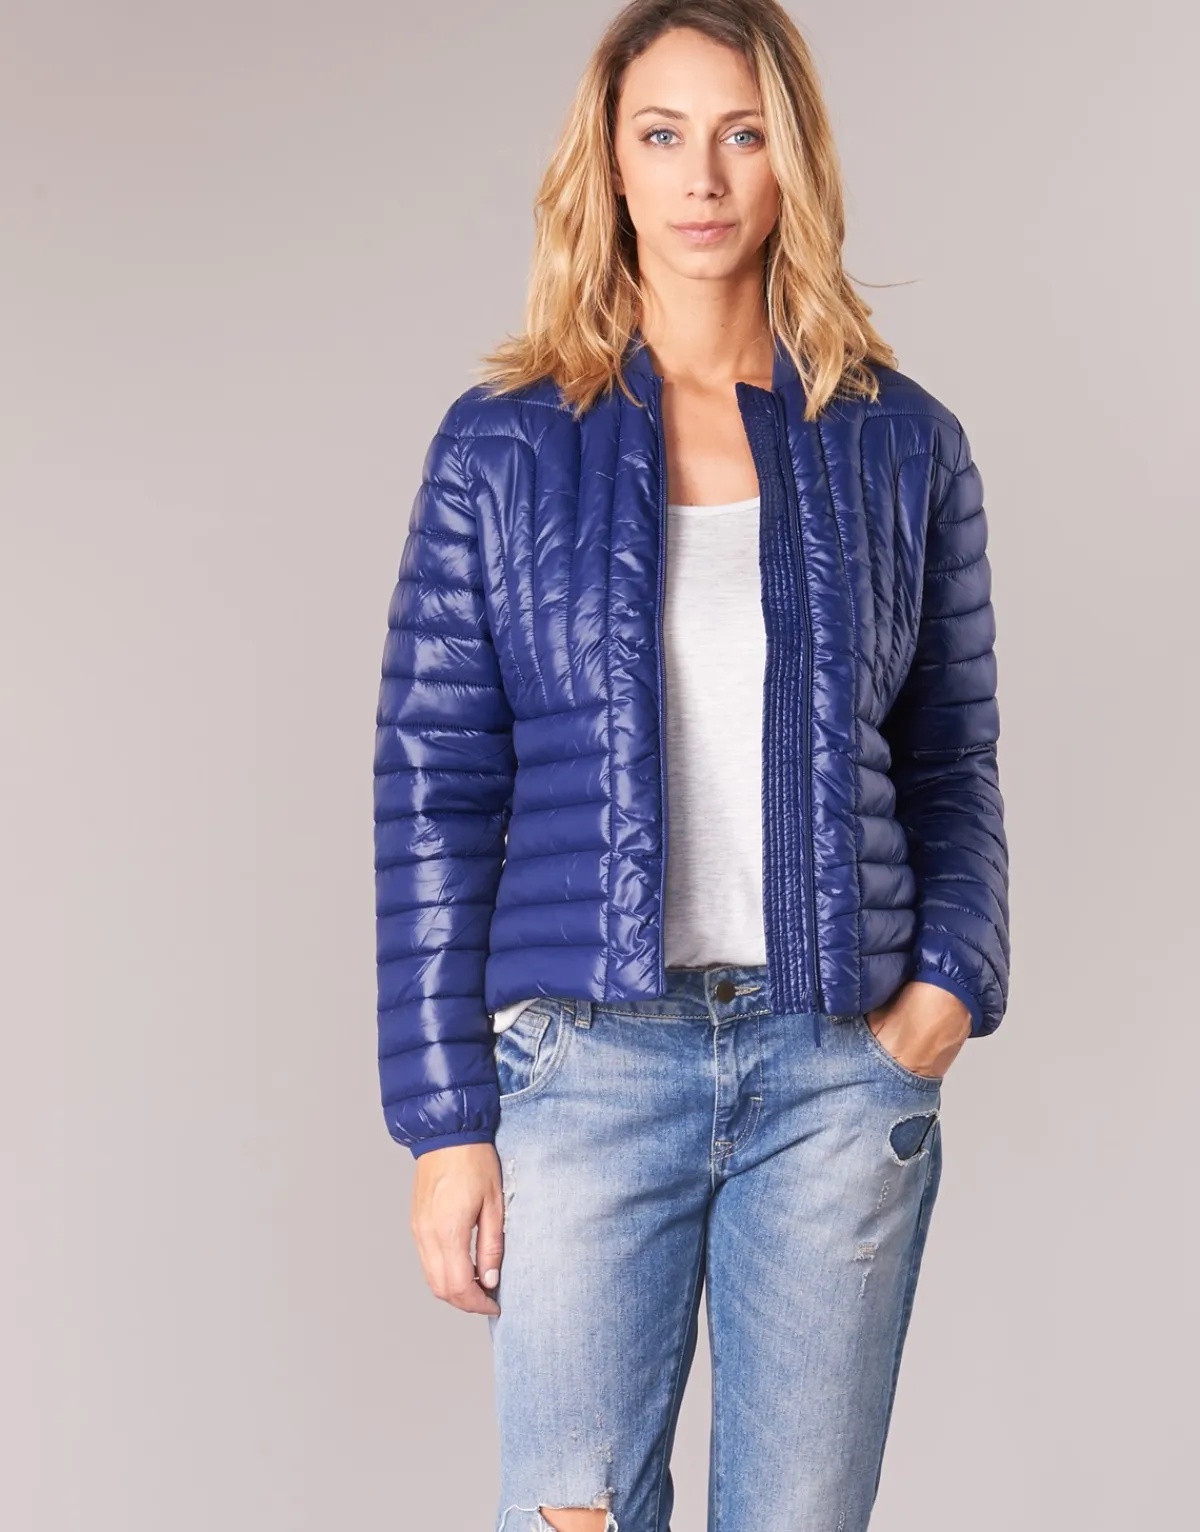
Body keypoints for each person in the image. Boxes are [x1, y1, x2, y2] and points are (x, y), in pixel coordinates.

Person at [372, 2, 1010, 1528]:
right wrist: (446, 1124)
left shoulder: (902, 444)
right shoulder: (502, 449)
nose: (703, 177)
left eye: (742, 134)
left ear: (794, 161)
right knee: (574, 1514)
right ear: (610, 162)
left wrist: (946, 991)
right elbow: (433, 790)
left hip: (834, 1066)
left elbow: (952, 760)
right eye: (663, 135)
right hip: (586, 1062)